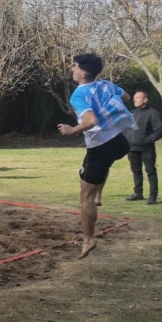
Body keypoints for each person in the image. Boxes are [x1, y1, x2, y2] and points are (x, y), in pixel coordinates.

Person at [58, 53, 135, 259]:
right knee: (95, 172)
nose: (72, 70)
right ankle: (99, 194)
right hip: (120, 142)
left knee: (85, 197)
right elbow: (126, 97)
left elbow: (91, 121)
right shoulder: (106, 85)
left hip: (101, 146)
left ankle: (89, 239)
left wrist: (72, 129)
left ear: (83, 73)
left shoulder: (78, 95)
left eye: (74, 67)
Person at [126, 90, 162, 205]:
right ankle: (138, 193)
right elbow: (126, 129)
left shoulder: (153, 113)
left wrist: (146, 140)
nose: (134, 100)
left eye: (137, 97)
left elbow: (159, 131)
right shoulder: (132, 113)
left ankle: (153, 196)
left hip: (146, 149)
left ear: (145, 100)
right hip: (132, 149)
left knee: (150, 171)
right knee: (136, 171)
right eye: (134, 98)